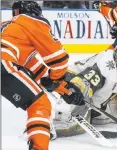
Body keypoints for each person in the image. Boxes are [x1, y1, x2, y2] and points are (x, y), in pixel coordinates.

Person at [1, 1, 85, 149]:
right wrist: (56, 79)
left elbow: (34, 69)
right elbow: (59, 59)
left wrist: (65, 88)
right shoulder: (31, 21)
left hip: (5, 63)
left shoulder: (10, 29)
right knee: (40, 103)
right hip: (3, 64)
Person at [49, 41, 117, 138]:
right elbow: (82, 84)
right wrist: (72, 106)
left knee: (104, 118)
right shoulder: (105, 64)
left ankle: (83, 113)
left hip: (92, 93)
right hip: (70, 80)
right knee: (78, 126)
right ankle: (62, 117)